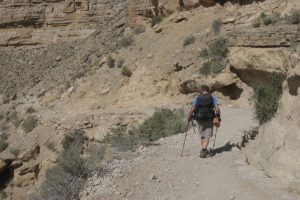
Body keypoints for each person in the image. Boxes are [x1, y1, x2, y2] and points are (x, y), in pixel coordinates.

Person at [188, 85, 221, 158]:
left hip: (199, 119)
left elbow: (192, 108)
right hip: (209, 119)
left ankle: (203, 149)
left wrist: (189, 116)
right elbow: (217, 109)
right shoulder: (212, 97)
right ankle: (204, 149)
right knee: (207, 135)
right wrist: (218, 116)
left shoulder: (197, 97)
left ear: (201, 90)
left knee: (202, 135)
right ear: (208, 90)